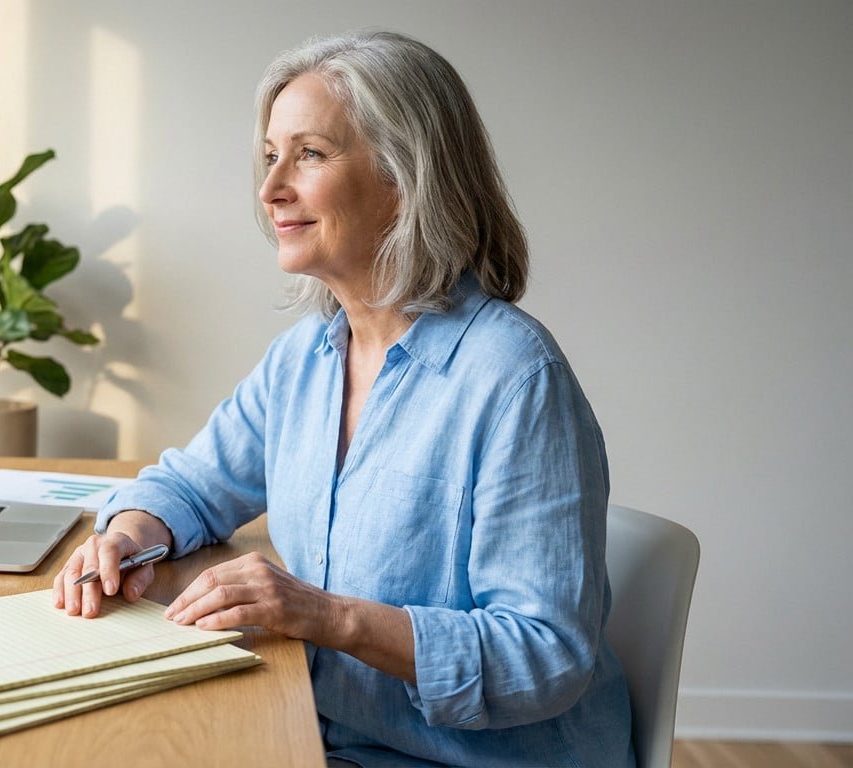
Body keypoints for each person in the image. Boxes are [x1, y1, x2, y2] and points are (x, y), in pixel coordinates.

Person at [52, 29, 633, 768]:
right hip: (321, 733)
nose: (270, 190)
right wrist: (131, 536)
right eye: (270, 157)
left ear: (406, 175)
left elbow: (546, 656)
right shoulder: (305, 357)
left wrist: (326, 616)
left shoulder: (514, 378)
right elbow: (192, 484)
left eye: (311, 154)